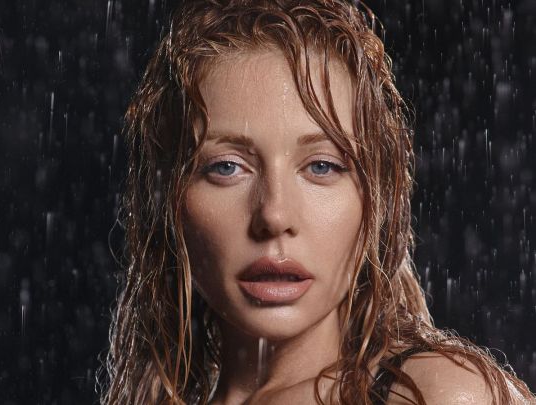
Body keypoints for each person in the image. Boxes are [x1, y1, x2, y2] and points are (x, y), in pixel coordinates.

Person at [99, 0, 536, 404]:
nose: (274, 215)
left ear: (377, 197)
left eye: (322, 166)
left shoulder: (432, 395)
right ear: (169, 200)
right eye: (227, 167)